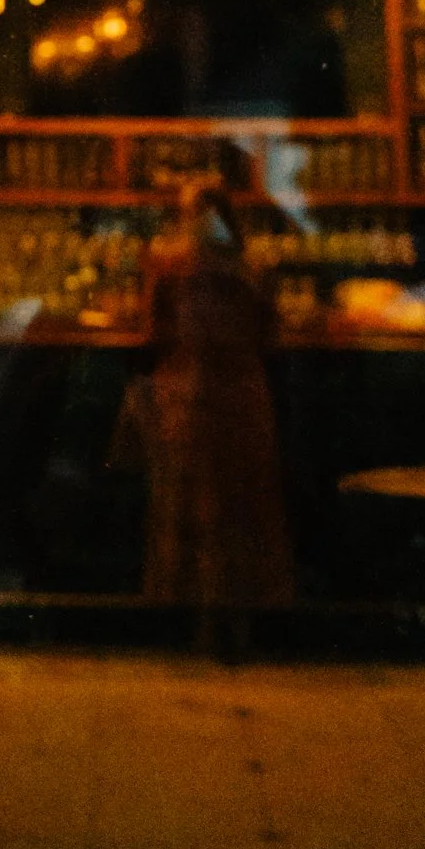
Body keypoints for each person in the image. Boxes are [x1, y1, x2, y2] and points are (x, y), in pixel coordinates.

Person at [122, 167, 294, 646]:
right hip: (244, 397)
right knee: (245, 509)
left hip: (186, 397)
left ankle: (192, 621)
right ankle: (241, 624)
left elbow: (151, 334)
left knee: (189, 507)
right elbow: (271, 338)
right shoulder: (257, 268)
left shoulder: (166, 264)